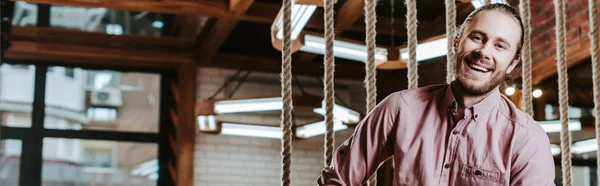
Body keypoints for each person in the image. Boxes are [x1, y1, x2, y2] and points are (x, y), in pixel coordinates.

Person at [316, 3, 555, 186]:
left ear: (513, 63)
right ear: (456, 42)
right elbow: (336, 180)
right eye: (477, 37)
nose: (484, 52)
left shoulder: (527, 139)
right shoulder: (400, 108)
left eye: (500, 46)